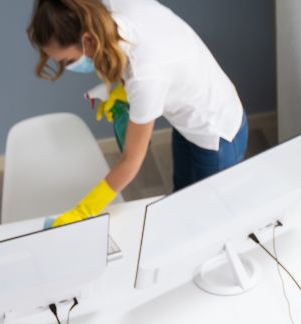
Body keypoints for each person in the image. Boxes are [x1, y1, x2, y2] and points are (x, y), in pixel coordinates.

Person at [29, 0, 248, 226]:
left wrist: (84, 211)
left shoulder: (145, 75)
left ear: (87, 40)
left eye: (68, 61)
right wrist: (125, 93)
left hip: (217, 132)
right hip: (187, 121)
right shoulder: (109, 7)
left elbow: (131, 162)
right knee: (181, 200)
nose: (67, 68)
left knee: (211, 221)